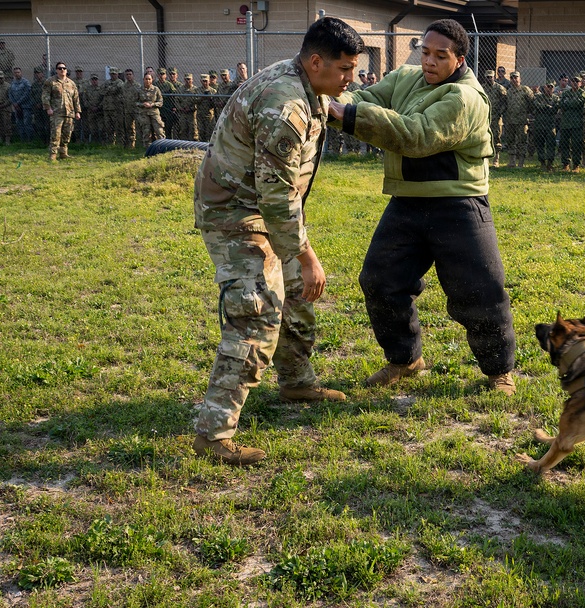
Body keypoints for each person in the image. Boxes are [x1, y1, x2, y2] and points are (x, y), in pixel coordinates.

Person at [192, 16, 363, 466]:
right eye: (345, 69)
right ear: (315, 61)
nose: (351, 78)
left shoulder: (310, 88)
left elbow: (281, 195)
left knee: (299, 293)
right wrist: (305, 254)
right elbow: (275, 195)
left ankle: (296, 381)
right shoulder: (284, 105)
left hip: (265, 206)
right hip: (235, 211)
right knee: (257, 311)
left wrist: (299, 256)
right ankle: (214, 433)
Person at [330, 18, 517, 396]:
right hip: (407, 202)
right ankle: (405, 359)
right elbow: (365, 98)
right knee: (380, 281)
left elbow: (417, 135)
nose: (429, 61)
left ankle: (499, 371)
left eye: (440, 55)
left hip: (458, 203)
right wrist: (340, 103)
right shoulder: (405, 78)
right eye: (425, 52)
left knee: (480, 289)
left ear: (460, 59)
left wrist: (346, 116)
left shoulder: (466, 97)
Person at [42, 62, 81, 160]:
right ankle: (53, 154)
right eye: (60, 68)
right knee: (56, 134)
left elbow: (76, 98)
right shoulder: (51, 81)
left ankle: (63, 153)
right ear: (56, 70)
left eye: (64, 68)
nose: (62, 70)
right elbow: (45, 96)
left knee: (67, 134)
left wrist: (77, 111)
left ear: (66, 70)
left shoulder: (71, 83)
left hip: (69, 112)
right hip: (56, 112)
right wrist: (48, 108)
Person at [502, 70, 533, 167]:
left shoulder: (525, 90)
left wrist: (529, 115)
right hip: (510, 120)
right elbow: (505, 105)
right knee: (511, 140)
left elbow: (532, 103)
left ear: (520, 78)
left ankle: (521, 162)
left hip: (521, 120)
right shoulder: (509, 92)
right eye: (512, 78)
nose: (514, 79)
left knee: (522, 141)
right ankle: (512, 161)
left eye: (516, 77)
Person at [558, 75, 585, 171]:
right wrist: (572, 102)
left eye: (577, 81)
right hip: (565, 123)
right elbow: (561, 104)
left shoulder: (583, 93)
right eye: (573, 81)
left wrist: (569, 103)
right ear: (571, 82)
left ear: (580, 83)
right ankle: (565, 164)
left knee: (576, 144)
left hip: (577, 123)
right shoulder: (566, 93)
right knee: (564, 144)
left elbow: (580, 103)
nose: (575, 83)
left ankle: (576, 165)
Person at [530, 80, 558, 171]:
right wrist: (547, 107)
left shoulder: (555, 98)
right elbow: (536, 106)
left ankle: (550, 163)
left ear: (553, 88)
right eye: (547, 87)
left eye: (551, 87)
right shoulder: (538, 97)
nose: (549, 89)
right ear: (544, 87)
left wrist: (546, 107)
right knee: (540, 144)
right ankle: (542, 162)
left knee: (551, 144)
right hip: (539, 125)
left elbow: (556, 109)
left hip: (550, 125)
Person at [482, 69, 507, 167]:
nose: (489, 79)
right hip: (484, 117)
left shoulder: (499, 88)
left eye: (491, 77)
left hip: (496, 117)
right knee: (485, 137)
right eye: (487, 77)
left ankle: (496, 158)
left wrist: (500, 112)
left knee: (496, 137)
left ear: (494, 77)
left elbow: (505, 102)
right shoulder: (482, 88)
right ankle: (486, 158)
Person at [134, 72, 164, 147]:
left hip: (154, 113)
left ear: (152, 80)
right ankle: (147, 148)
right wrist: (142, 104)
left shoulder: (156, 89)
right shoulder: (139, 90)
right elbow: (135, 102)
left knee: (159, 131)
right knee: (146, 131)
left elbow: (160, 102)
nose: (147, 81)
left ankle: (162, 147)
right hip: (144, 113)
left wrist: (152, 104)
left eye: (149, 79)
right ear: (143, 79)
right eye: (146, 79)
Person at [8, 66, 33, 142]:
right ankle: (22, 140)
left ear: (21, 73)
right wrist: (14, 103)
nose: (17, 74)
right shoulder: (12, 83)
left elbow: (27, 94)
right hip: (16, 107)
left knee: (27, 123)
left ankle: (29, 140)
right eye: (15, 73)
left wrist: (18, 103)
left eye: (18, 72)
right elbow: (10, 94)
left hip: (25, 106)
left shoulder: (26, 82)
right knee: (19, 123)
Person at [101, 68, 125, 146]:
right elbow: (102, 91)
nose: (113, 75)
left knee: (118, 126)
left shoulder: (120, 82)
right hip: (107, 108)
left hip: (116, 108)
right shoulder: (106, 82)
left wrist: (109, 89)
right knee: (108, 126)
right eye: (111, 74)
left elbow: (117, 91)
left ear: (117, 74)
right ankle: (111, 142)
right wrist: (111, 89)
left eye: (114, 74)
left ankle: (120, 143)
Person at [174, 73, 199, 140]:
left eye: (189, 79)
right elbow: (176, 100)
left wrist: (191, 108)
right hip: (182, 113)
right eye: (186, 79)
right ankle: (183, 145)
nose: (188, 81)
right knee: (183, 129)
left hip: (192, 113)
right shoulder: (180, 89)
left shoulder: (195, 90)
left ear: (192, 80)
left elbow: (197, 101)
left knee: (193, 129)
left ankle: (193, 145)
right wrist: (180, 108)